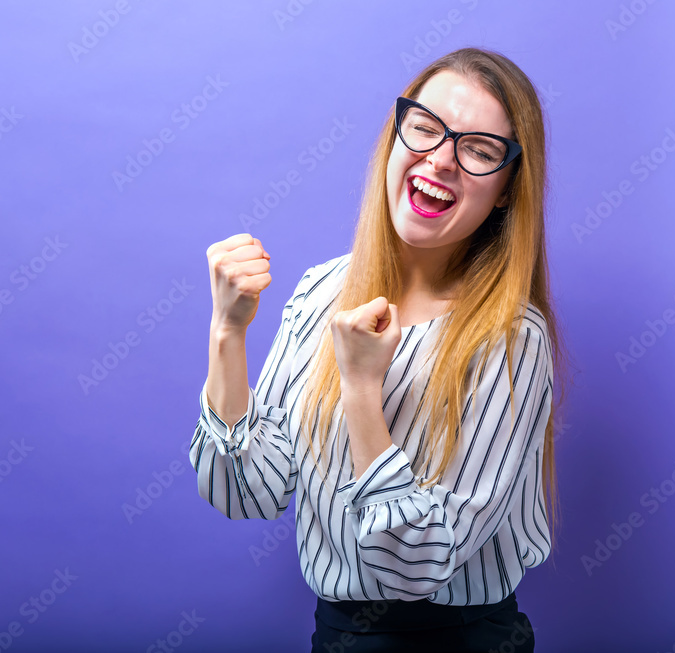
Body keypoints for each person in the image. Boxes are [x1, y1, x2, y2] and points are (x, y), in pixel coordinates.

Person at [191, 47, 569, 652]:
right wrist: (227, 334)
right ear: (395, 137)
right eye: (424, 127)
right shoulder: (321, 291)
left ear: (505, 190)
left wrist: (363, 389)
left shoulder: (511, 338)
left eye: (478, 150)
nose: (440, 159)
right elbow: (245, 492)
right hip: (337, 636)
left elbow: (414, 569)